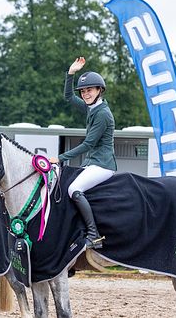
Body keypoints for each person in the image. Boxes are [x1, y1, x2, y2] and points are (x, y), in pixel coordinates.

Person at [50, 57, 117, 249]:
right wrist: (70, 73)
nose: (86, 94)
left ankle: (94, 235)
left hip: (103, 165)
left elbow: (88, 144)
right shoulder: (92, 108)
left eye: (89, 90)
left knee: (73, 189)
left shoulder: (103, 114)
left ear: (99, 90)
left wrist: (60, 158)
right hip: (92, 162)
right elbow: (69, 97)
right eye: (84, 91)